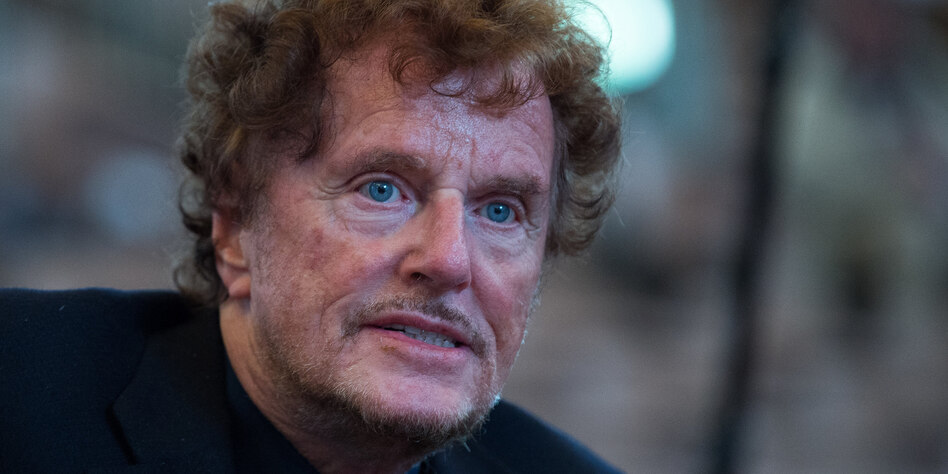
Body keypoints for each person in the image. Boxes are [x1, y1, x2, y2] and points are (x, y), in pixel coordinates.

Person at [0, 0, 621, 472]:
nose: (449, 259)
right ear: (234, 225)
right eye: (382, 190)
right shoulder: (20, 391)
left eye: (501, 211)